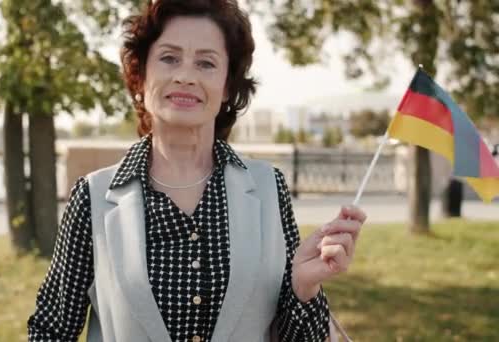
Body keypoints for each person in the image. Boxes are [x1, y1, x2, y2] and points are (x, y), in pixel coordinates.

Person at [27, 1, 366, 341]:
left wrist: (304, 286)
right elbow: (51, 330)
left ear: (227, 87)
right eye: (169, 58)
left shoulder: (268, 189)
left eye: (206, 63)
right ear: (141, 77)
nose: (186, 76)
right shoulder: (93, 197)